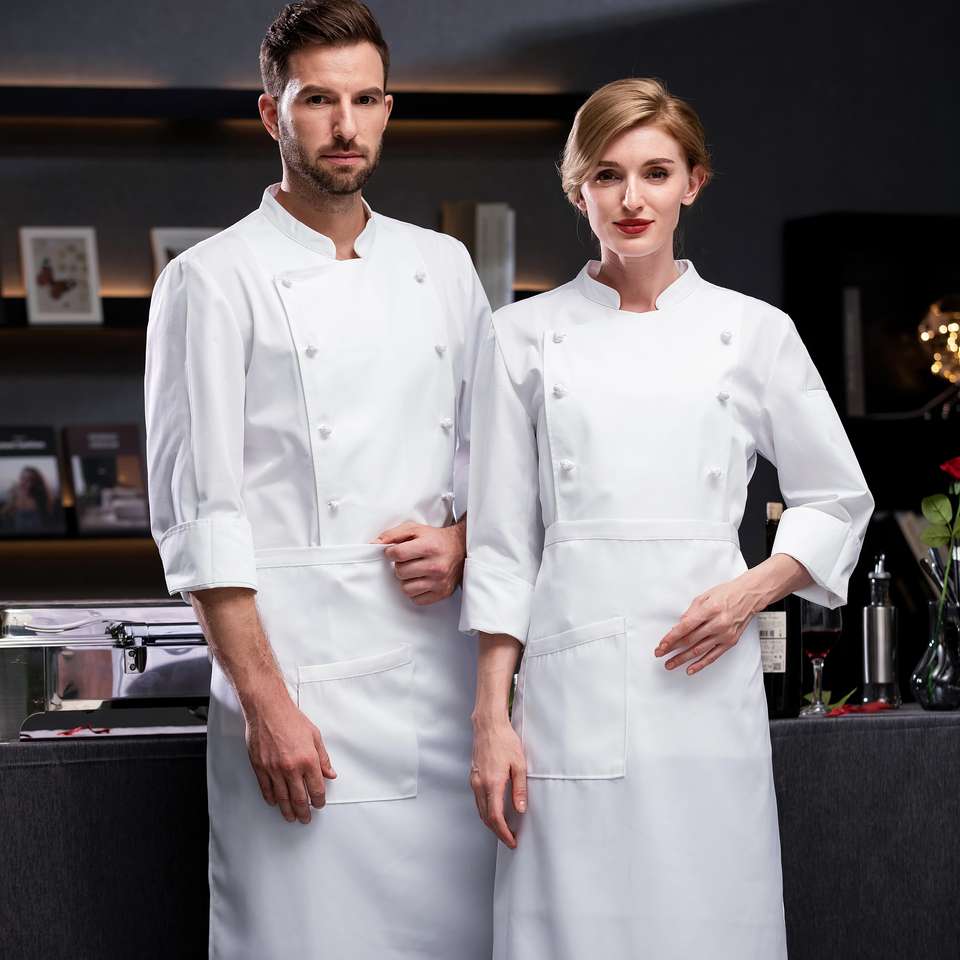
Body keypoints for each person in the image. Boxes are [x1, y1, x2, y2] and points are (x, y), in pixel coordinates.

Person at [462, 77, 874, 960]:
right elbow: (500, 545)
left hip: (703, 683)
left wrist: (750, 592)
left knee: (709, 919)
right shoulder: (519, 336)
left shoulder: (753, 331)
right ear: (579, 191)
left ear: (694, 182)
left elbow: (837, 498)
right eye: (607, 175)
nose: (632, 198)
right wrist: (491, 719)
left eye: (656, 172)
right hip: (568, 689)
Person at [144, 2, 495, 956]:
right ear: (272, 113)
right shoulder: (211, 279)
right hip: (301, 690)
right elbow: (201, 518)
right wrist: (265, 706)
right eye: (317, 101)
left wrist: (463, 539)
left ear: (388, 110)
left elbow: (500, 462)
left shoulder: (444, 266)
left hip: (444, 681)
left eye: (365, 100)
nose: (345, 125)